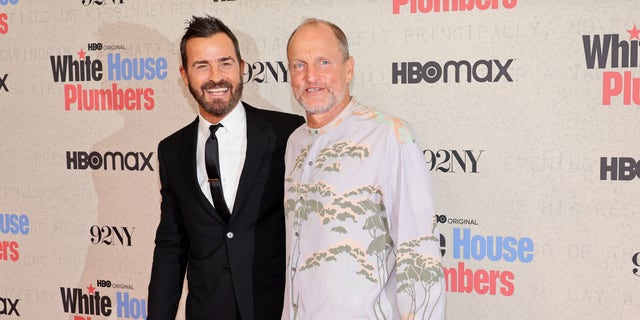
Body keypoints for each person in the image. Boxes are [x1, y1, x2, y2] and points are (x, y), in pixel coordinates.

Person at [282, 18, 446, 319]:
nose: (311, 76)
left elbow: (418, 256)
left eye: (323, 62)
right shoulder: (295, 143)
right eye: (299, 65)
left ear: (349, 68)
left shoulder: (390, 136)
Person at [148, 16, 304, 320]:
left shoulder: (288, 133)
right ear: (184, 75)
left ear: (242, 67)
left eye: (225, 63)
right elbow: (171, 245)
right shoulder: (171, 150)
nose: (215, 77)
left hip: (277, 309)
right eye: (201, 66)